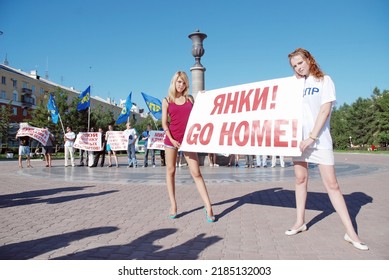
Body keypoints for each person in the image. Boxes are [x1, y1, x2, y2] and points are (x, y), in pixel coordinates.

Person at [285, 48, 368, 250]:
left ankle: (351, 232)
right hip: (298, 140)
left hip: (318, 139)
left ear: (309, 59)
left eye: (300, 62)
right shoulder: (293, 85)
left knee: (332, 184)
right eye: (294, 65)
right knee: (300, 179)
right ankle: (300, 222)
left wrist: (311, 137)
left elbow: (325, 109)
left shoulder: (324, 80)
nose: (298, 67)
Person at [162, 71, 215, 222]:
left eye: (184, 82)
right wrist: (171, 139)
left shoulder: (190, 99)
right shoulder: (167, 100)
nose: (181, 85)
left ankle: (208, 206)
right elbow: (164, 123)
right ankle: (173, 205)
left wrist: (205, 97)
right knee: (171, 171)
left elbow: (199, 113)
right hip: (171, 140)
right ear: (174, 82)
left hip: (188, 140)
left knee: (196, 173)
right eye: (179, 82)